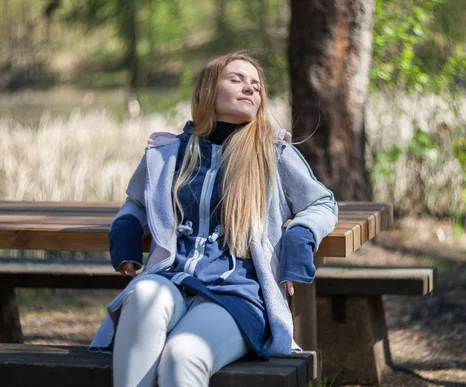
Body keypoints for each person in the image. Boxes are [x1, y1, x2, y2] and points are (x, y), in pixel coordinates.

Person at [89, 52, 338, 387]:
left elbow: (322, 202)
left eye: (257, 86)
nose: (250, 89)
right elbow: (136, 202)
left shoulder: (273, 153)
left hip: (238, 294)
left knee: (183, 355)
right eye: (236, 79)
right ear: (207, 90)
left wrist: (302, 234)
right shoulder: (168, 154)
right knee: (142, 296)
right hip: (172, 279)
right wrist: (126, 226)